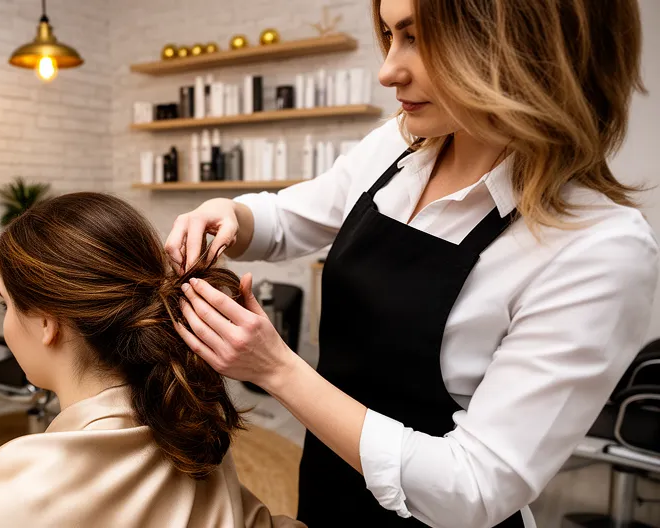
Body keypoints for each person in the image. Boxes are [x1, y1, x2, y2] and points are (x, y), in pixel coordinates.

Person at [165, 0, 658, 526]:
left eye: (418, 38)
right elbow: (287, 218)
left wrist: (278, 370)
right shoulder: (398, 147)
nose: (387, 71)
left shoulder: (598, 246)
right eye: (389, 35)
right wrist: (229, 212)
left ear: (524, 43)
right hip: (329, 493)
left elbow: (475, 487)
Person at [0, 193, 302, 528]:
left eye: (5, 304)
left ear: (46, 323)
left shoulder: (19, 487)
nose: (6, 319)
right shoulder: (183, 415)